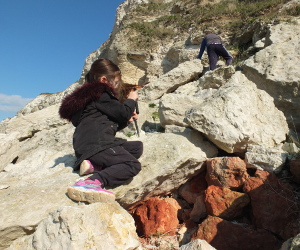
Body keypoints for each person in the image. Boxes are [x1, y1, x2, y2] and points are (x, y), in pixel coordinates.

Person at [59, 58, 143, 203]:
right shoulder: (101, 94)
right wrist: (131, 100)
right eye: (116, 82)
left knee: (136, 148)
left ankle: (93, 164)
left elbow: (108, 123)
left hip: (88, 144)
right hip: (96, 144)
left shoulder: (90, 98)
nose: (117, 86)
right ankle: (91, 182)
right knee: (132, 165)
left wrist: (126, 120)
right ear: (104, 80)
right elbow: (122, 112)